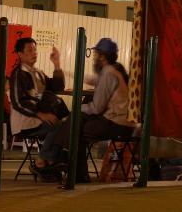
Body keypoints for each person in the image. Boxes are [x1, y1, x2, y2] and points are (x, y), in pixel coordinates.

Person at [54, 38, 136, 182]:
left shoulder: (108, 72)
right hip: (124, 122)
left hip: (116, 124)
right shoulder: (115, 69)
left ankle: (71, 168)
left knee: (75, 126)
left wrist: (75, 110)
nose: (94, 58)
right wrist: (62, 69)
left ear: (102, 56)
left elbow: (97, 107)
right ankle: (67, 162)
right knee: (77, 121)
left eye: (96, 54)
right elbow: (92, 79)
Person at [9, 37, 65, 173]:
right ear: (20, 54)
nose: (34, 53)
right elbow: (18, 102)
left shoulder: (38, 73)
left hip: (40, 118)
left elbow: (57, 87)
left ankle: (52, 162)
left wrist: (57, 64)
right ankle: (42, 160)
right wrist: (41, 114)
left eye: (35, 50)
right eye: (30, 50)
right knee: (58, 126)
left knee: (67, 125)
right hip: (26, 122)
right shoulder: (18, 74)